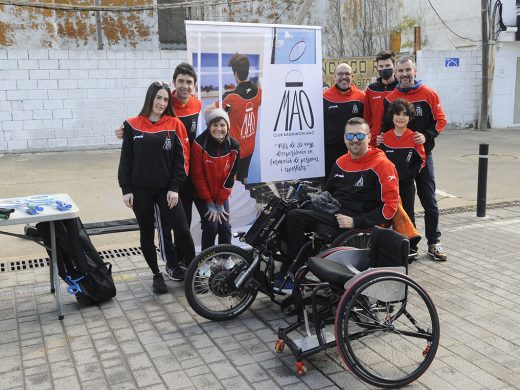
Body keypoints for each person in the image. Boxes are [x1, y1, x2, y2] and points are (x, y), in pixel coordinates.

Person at [280, 117, 399, 290]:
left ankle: (295, 271)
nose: (355, 140)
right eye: (350, 137)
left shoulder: (382, 165)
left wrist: (356, 221)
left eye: (359, 135)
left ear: (368, 136)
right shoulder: (340, 162)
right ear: (344, 138)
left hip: (356, 219)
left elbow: (390, 208)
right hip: (335, 212)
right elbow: (328, 194)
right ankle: (289, 263)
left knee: (295, 217)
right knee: (287, 211)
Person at [116, 63, 202, 281]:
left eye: (165, 99)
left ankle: (191, 271)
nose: (162, 103)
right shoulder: (132, 125)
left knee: (182, 229)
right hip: (140, 191)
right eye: (158, 98)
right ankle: (157, 273)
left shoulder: (174, 124)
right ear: (150, 99)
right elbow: (125, 160)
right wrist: (126, 189)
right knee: (147, 233)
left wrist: (174, 187)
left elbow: (180, 159)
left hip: (168, 190)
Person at [383, 56, 448, 261]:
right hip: (399, 159)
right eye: (400, 71)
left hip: (422, 156)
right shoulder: (390, 97)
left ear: (415, 70)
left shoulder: (428, 93)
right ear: (396, 73)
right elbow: (386, 125)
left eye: (407, 70)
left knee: (429, 201)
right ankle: (410, 244)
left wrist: (427, 135)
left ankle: (434, 242)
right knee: (405, 203)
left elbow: (441, 120)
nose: (404, 74)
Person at [379, 99, 426, 255]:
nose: (401, 118)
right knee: (386, 215)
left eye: (405, 114)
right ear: (392, 116)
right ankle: (387, 247)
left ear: (409, 117)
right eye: (397, 114)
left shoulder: (415, 138)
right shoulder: (383, 138)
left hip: (406, 185)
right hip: (387, 186)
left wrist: (408, 175)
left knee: (407, 214)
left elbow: (421, 160)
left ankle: (410, 247)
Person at [207, 53, 262, 184]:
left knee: (233, 182)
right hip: (250, 146)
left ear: (235, 73)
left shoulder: (231, 97)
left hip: (236, 150)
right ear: (248, 71)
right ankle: (246, 198)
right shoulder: (259, 91)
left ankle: (237, 201)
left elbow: (207, 110)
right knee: (244, 176)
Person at [191, 108, 240, 250]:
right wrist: (209, 202)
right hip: (202, 195)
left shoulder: (234, 145)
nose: (219, 129)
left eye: (222, 125)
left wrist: (219, 202)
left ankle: (225, 258)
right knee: (211, 226)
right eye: (215, 125)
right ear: (209, 126)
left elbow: (231, 176)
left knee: (224, 226)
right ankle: (207, 260)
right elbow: (197, 176)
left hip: (221, 194)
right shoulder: (199, 144)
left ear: (228, 127)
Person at [323, 63, 365, 179]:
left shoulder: (361, 97)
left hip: (354, 149)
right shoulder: (324, 97)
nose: (344, 77)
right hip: (330, 153)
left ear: (352, 76)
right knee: (331, 185)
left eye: (347, 74)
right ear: (334, 77)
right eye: (340, 74)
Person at [363, 50, 398, 147]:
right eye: (381, 66)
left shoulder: (400, 87)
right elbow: (367, 116)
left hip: (396, 138)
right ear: (377, 68)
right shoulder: (371, 89)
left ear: (394, 66)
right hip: (375, 140)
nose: (384, 69)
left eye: (387, 66)